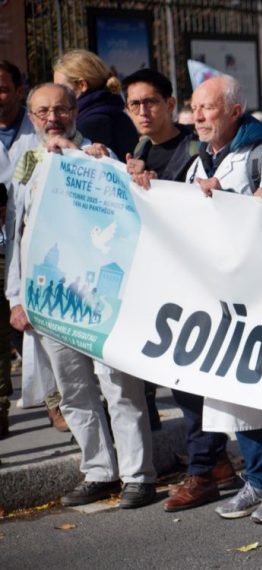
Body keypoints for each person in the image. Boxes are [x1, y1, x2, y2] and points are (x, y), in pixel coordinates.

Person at [7, 83, 157, 509]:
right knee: (73, 391)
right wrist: (15, 296)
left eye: (60, 109)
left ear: (75, 111)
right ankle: (99, 471)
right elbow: (19, 231)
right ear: (31, 115)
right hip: (48, 295)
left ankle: (138, 476)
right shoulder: (28, 160)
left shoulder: (98, 156)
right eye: (41, 112)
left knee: (119, 387)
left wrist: (99, 162)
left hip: (97, 296)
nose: (51, 118)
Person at [119, 68, 241, 511]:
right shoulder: (137, 149)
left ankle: (202, 471)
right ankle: (216, 463)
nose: (143, 111)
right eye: (134, 105)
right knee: (178, 377)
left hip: (199, 281)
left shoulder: (198, 147)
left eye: (151, 101)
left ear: (172, 105)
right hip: (162, 280)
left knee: (193, 379)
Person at [181, 75, 262, 524]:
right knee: (236, 390)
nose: (198, 117)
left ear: (233, 111)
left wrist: (229, 199)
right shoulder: (199, 160)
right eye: (195, 108)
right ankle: (257, 477)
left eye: (207, 108)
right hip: (221, 295)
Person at [0, 60, 35, 439]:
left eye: (3, 88)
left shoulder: (38, 130)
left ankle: (57, 402)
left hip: (31, 242)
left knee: (35, 323)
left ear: (19, 90)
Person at [52, 49, 138, 160]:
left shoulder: (89, 125)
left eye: (61, 87)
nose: (57, 93)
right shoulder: (116, 113)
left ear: (82, 85)